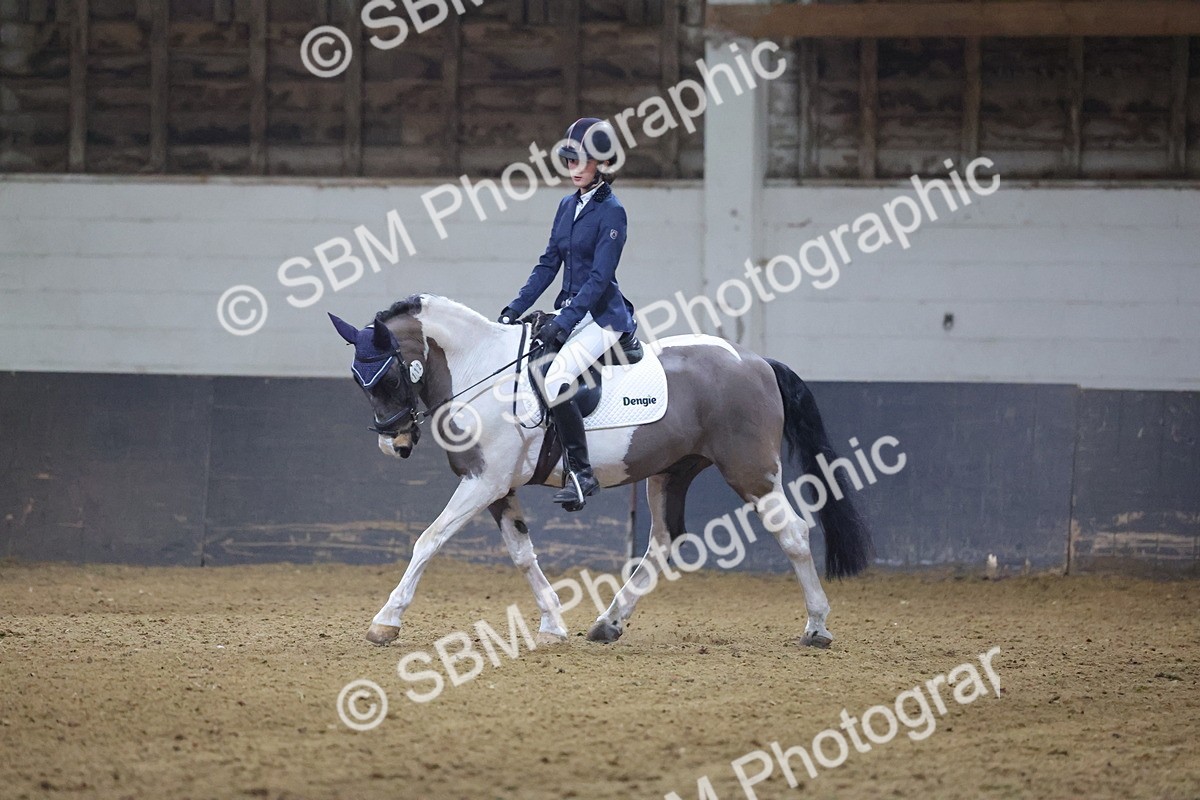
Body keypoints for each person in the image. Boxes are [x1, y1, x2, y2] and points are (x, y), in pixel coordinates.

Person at [498, 117, 638, 511]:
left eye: (582, 160)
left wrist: (564, 322)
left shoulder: (613, 212)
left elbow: (599, 278)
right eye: (570, 160)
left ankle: (581, 473)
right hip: (571, 312)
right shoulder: (565, 206)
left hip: (602, 317)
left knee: (556, 377)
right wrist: (514, 308)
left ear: (602, 163)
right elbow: (548, 263)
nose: (574, 168)